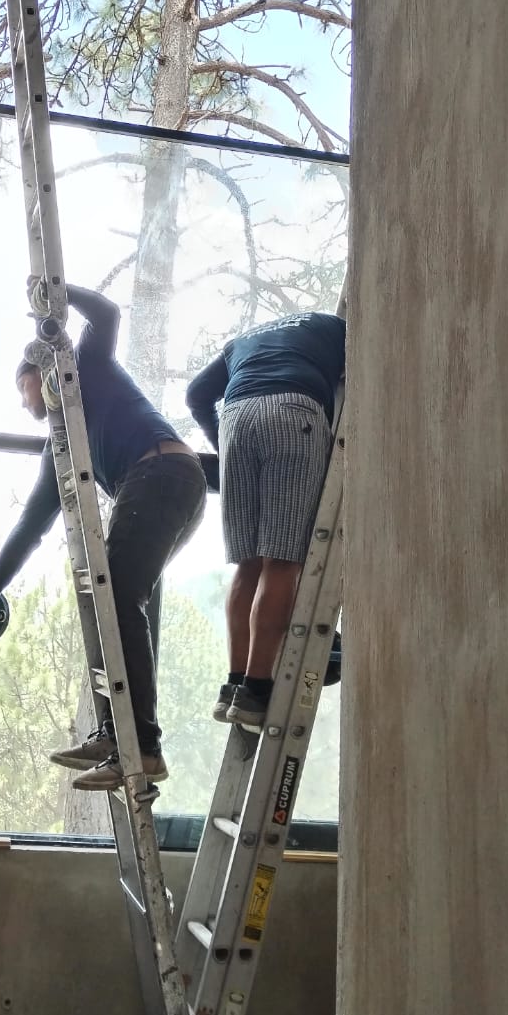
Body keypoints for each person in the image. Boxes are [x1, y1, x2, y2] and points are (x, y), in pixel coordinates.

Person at [0, 284, 206, 791]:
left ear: (38, 373)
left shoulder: (81, 369)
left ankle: (144, 747)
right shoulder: (61, 444)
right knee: (120, 599)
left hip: (163, 472)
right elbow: (32, 525)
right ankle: (119, 736)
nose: (24, 403)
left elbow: (106, 314)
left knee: (118, 596)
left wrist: (58, 294)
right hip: (164, 483)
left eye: (22, 388)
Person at [185, 310, 346, 727]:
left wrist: (223, 446)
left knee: (249, 563)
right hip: (293, 414)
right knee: (283, 561)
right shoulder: (335, 327)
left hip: (236, 419)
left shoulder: (243, 341)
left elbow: (197, 395)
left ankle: (233, 685)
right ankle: (256, 690)